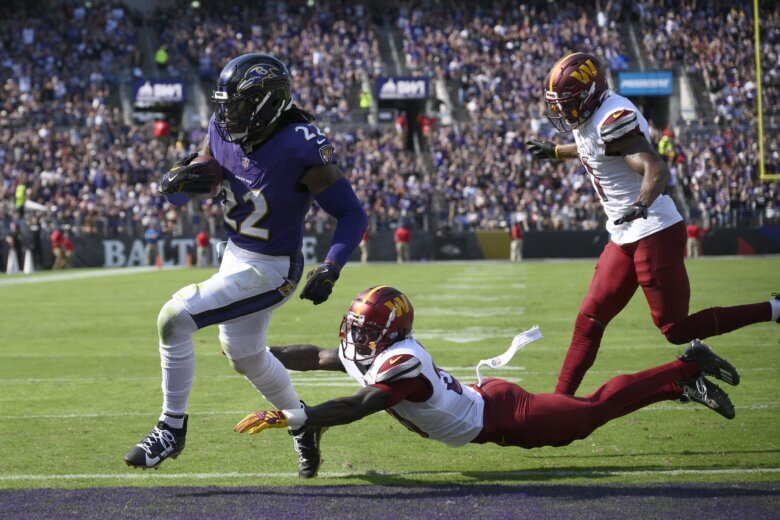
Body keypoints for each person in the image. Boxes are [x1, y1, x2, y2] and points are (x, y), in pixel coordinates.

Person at [124, 53, 368, 478]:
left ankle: (170, 428)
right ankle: (302, 422)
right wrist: (176, 180)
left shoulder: (299, 145)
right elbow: (197, 182)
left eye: (236, 106)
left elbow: (351, 213)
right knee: (246, 355)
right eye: (224, 106)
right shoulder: (221, 129)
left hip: (273, 268)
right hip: (235, 256)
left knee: (174, 318)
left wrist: (332, 266)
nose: (227, 116)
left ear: (266, 105)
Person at [233, 286, 739, 472]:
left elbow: (360, 405)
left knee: (588, 415)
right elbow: (318, 356)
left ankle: (685, 368)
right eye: (356, 327)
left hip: (501, 415)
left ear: (390, 334)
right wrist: (255, 352)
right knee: (581, 419)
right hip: (483, 403)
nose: (355, 337)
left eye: (367, 331)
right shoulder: (372, 349)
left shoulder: (401, 361)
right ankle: (680, 384)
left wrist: (294, 416)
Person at [526, 53, 779, 396]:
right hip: (623, 233)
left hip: (652, 229)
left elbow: (654, 167)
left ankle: (775, 310)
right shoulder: (593, 119)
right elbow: (594, 148)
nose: (564, 112)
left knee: (675, 328)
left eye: (569, 104)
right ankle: (559, 402)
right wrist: (557, 151)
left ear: (590, 95)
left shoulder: (613, 119)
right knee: (589, 319)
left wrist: (641, 203)